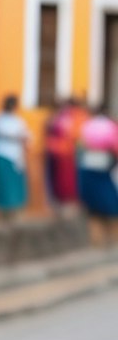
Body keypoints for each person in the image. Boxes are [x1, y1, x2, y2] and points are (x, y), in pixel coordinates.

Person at [77, 104, 118, 245]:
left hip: (88, 164)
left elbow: (81, 144)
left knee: (93, 205)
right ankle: (112, 238)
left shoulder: (87, 125)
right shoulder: (111, 126)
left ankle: (96, 240)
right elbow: (115, 146)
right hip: (106, 165)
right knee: (111, 202)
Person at [0, 93, 30, 220]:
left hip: (14, 156)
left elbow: (25, 137)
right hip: (1, 155)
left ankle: (13, 212)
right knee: (2, 184)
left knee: (14, 184)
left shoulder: (18, 121)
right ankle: (2, 212)